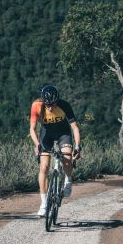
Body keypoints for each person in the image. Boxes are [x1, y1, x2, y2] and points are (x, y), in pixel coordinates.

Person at [29, 84, 81, 217]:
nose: (50, 107)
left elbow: (74, 128)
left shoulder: (64, 105)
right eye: (48, 104)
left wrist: (77, 146)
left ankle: (68, 181)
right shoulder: (37, 106)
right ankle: (44, 204)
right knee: (44, 168)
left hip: (63, 133)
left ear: (57, 100)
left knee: (67, 160)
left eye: (53, 104)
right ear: (43, 101)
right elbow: (32, 129)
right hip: (46, 133)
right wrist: (37, 144)